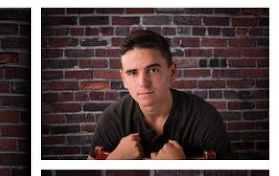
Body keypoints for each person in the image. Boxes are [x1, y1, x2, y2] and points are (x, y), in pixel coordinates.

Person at [90, 29, 234, 160]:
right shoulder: (112, 119)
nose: (143, 83)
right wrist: (115, 160)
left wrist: (181, 169)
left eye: (153, 70)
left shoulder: (204, 118)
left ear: (171, 73)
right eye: (132, 73)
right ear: (124, 79)